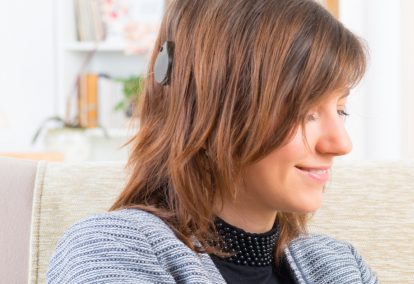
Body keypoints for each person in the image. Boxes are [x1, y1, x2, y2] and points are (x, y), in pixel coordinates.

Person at [46, 0, 376, 283]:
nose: (341, 143)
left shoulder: (338, 264)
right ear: (214, 108)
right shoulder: (109, 249)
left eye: (341, 110)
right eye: (306, 113)